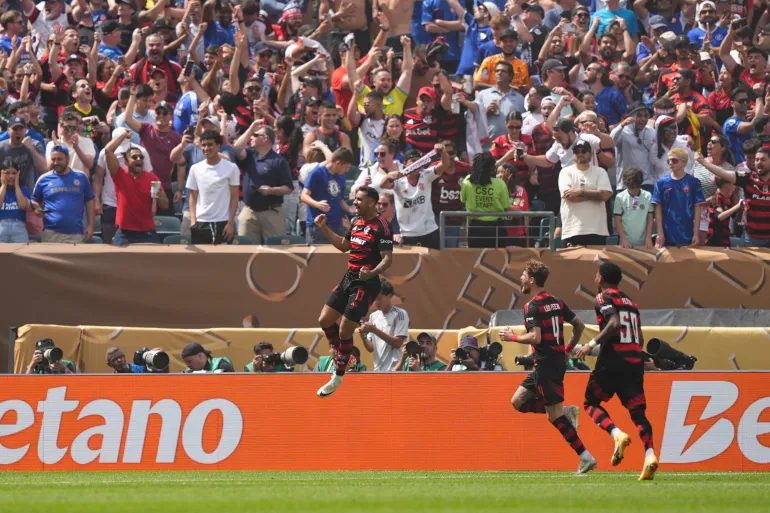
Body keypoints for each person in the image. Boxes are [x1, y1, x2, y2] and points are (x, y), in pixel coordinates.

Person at [498, 259, 596, 475]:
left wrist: (512, 337)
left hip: (546, 364)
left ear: (532, 280)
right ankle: (566, 412)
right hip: (550, 363)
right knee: (517, 401)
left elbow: (536, 337)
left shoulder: (532, 306)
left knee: (554, 416)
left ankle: (585, 457)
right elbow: (579, 325)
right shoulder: (557, 302)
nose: (521, 279)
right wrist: (568, 350)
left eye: (524, 275)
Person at [575, 262, 658, 481]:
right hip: (634, 362)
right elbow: (640, 338)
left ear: (601, 278)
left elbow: (613, 324)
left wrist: (590, 345)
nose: (595, 278)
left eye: (596, 275)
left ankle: (617, 434)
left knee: (590, 403)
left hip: (612, 360)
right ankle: (649, 455)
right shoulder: (631, 302)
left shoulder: (602, 298)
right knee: (638, 413)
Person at [314, 186, 393, 397]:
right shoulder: (356, 221)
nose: (355, 202)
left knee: (345, 331)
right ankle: (340, 353)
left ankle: (338, 375)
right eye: (355, 199)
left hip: (366, 284)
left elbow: (388, 259)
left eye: (359, 199)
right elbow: (343, 246)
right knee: (324, 320)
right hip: (349, 278)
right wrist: (324, 228)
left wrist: (372, 272)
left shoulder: (382, 226)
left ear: (371, 203)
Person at [104, 129, 168, 245]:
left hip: (147, 233)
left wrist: (161, 197)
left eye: (141, 157)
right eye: (134, 157)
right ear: (126, 161)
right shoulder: (120, 175)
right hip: (124, 233)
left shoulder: (152, 178)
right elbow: (108, 150)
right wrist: (123, 135)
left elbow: (164, 206)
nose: (139, 159)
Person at [232, 122, 293, 243]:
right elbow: (236, 148)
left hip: (271, 213)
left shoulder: (278, 161)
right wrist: (250, 129)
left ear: (265, 139)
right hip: (249, 212)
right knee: (245, 250)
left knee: (275, 250)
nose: (251, 137)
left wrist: (271, 190)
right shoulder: (249, 155)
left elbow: (288, 188)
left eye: (255, 135)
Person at [695, 148, 770, 247]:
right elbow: (723, 173)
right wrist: (703, 163)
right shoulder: (748, 178)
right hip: (751, 239)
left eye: (763, 160)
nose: (759, 162)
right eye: (757, 160)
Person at [380, 144, 448, 249]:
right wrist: (389, 176)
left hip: (429, 231)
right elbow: (383, 185)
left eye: (419, 161)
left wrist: (443, 152)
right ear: (405, 164)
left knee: (434, 260)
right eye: (413, 161)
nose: (417, 164)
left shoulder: (426, 175)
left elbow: (445, 164)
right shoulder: (398, 180)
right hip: (407, 234)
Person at [32, 144, 95, 243]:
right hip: (50, 234)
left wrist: (91, 226)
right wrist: (37, 208)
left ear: (67, 159)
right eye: (53, 159)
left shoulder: (81, 177)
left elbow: (90, 201)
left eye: (59, 159)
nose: (56, 162)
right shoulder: (43, 179)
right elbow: (34, 200)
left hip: (75, 233)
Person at [186, 130, 240, 244]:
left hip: (223, 222)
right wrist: (193, 222)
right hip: (201, 222)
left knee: (224, 256)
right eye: (203, 145)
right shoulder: (195, 169)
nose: (206, 148)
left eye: (210, 144)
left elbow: (235, 197)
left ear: (218, 146)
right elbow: (193, 197)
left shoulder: (232, 168)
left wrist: (230, 223)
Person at [558, 140, 613, 247]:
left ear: (591, 154)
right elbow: (570, 197)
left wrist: (581, 191)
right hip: (573, 230)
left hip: (597, 230)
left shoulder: (600, 172)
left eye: (583, 151)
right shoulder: (565, 172)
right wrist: (596, 194)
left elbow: (605, 195)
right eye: (576, 151)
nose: (580, 154)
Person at [652, 148, 705, 248]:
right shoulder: (661, 182)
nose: (671, 163)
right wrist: (660, 233)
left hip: (687, 233)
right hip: (666, 234)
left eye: (674, 160)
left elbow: (698, 209)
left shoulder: (694, 182)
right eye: (669, 161)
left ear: (684, 162)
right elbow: (658, 209)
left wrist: (696, 234)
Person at [301, 147, 355, 244]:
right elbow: (304, 196)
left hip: (336, 225)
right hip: (318, 225)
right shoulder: (317, 173)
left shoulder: (342, 177)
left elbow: (340, 200)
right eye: (346, 167)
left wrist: (349, 208)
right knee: (317, 253)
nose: (347, 170)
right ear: (338, 163)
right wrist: (317, 204)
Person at [461, 152, 511, 248]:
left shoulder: (467, 181)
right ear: (491, 168)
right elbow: (505, 205)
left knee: (477, 256)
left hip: (476, 229)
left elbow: (463, 199)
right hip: (497, 228)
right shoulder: (500, 184)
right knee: (498, 256)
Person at [359, 279, 409, 372]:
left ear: (389, 296)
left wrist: (374, 330)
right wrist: (363, 337)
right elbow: (371, 348)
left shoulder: (400, 314)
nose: (376, 302)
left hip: (396, 369)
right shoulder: (373, 316)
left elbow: (398, 343)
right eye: (374, 298)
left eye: (379, 298)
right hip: (377, 370)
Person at [610, 103, 655, 192]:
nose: (643, 119)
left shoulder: (651, 131)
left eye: (646, 116)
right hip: (626, 184)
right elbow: (611, 141)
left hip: (647, 183)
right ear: (630, 117)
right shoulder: (622, 131)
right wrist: (622, 125)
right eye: (639, 115)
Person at [613, 168, 654, 249]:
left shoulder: (648, 196)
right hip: (625, 244)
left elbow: (650, 219)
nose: (634, 191)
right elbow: (617, 220)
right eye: (631, 188)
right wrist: (623, 239)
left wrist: (648, 237)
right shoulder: (619, 197)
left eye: (636, 188)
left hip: (644, 243)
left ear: (641, 183)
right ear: (626, 185)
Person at [0, 158, 31, 243]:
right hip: (1, 226)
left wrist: (17, 186)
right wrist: (3, 185)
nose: (11, 176)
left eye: (14, 173)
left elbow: (23, 206)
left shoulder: (23, 189)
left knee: (22, 252)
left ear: (18, 174)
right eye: (7, 173)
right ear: (1, 174)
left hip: (19, 227)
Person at [706, 178, 741, 248]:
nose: (735, 187)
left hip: (724, 237)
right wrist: (738, 206)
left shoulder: (727, 199)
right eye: (733, 184)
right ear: (726, 185)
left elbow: (736, 217)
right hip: (714, 238)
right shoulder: (716, 198)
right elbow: (719, 216)